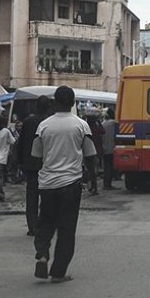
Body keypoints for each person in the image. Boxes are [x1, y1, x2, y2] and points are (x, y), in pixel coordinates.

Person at [31, 86, 98, 282]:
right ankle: (58, 272)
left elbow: (36, 156)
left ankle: (42, 254)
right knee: (67, 229)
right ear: (73, 102)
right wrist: (93, 180)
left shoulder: (43, 126)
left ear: (55, 102)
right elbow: (91, 155)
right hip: (71, 183)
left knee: (46, 223)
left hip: (48, 183)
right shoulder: (81, 125)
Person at [18, 95, 53, 236]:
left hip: (31, 165)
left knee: (32, 196)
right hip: (48, 165)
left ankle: (32, 226)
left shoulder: (29, 121)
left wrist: (20, 162)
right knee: (48, 196)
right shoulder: (50, 122)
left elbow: (21, 144)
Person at [100, 109, 119, 190]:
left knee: (107, 167)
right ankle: (108, 184)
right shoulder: (115, 124)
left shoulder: (103, 124)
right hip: (113, 148)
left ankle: (107, 183)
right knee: (110, 167)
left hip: (104, 148)